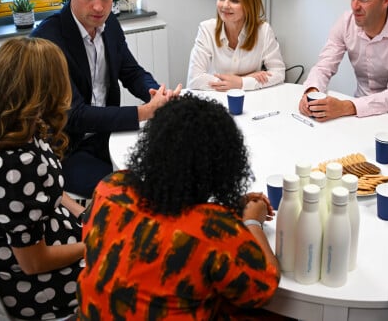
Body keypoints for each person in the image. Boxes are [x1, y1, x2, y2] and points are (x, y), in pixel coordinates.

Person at [77, 94, 283, 320]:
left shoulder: (111, 188)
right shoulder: (212, 231)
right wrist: (253, 221)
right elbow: (265, 287)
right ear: (225, 166)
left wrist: (229, 209)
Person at [31, 0, 182, 198]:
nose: (99, 7)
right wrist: (143, 112)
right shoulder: (48, 39)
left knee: (167, 164)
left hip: (107, 135)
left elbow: (131, 72)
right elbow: (75, 115)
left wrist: (156, 94)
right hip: (66, 149)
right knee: (132, 193)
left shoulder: (109, 23)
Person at [0, 38, 86, 319]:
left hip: (57, 237)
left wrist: (81, 212)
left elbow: (48, 192)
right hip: (39, 285)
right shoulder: (16, 163)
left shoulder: (23, 126)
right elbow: (33, 262)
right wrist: (94, 245)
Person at [187, 0, 286, 91]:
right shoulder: (206, 29)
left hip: (250, 99)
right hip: (214, 99)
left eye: (234, 0)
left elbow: (278, 73)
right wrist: (242, 80)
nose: (225, 5)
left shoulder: (264, 31)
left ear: (249, 5)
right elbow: (194, 79)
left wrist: (241, 82)